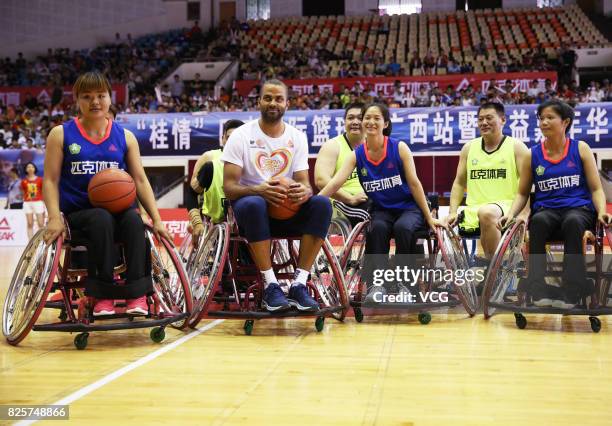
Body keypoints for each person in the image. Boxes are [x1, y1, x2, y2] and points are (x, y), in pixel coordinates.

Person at [43, 71, 171, 317]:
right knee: (100, 217)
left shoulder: (125, 136)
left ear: (110, 99)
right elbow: (50, 180)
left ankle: (137, 295)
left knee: (134, 220)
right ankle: (102, 295)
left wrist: (157, 219)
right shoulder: (60, 134)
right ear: (77, 100)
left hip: (118, 211)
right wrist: (53, 217)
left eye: (101, 95)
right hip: (80, 214)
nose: (95, 102)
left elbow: (140, 180)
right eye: (87, 96)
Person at [222, 79, 331, 312]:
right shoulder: (240, 136)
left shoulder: (297, 137)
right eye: (268, 98)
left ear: (287, 104)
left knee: (321, 203)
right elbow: (229, 187)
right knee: (254, 203)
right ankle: (271, 285)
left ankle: (299, 284)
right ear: (259, 101)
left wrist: (304, 191)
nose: (273, 103)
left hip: (285, 210)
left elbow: (305, 184)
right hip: (252, 214)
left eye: (279, 98)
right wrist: (258, 189)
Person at [319, 103, 442, 299]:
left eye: (376, 118)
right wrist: (315, 202)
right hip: (382, 210)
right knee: (377, 229)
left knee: (403, 228)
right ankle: (378, 284)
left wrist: (429, 217)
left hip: (409, 208)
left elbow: (415, 184)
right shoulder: (357, 155)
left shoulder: (399, 148)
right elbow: (335, 183)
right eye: (367, 117)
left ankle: (406, 284)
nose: (370, 121)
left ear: (385, 124)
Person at [499, 100, 611, 309]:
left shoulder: (581, 149)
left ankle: (573, 290)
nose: (544, 122)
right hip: (547, 210)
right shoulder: (533, 154)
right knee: (539, 222)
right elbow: (523, 192)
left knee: (573, 222)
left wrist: (602, 211)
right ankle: (538, 288)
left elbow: (596, 189)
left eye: (550, 117)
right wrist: (511, 214)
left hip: (578, 209)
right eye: (541, 118)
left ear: (565, 121)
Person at [446, 102, 529, 259]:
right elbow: (459, 183)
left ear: (503, 120)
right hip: (473, 211)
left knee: (487, 213)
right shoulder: (469, 148)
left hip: (508, 209)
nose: (484, 123)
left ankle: (491, 269)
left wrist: (524, 215)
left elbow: (528, 186)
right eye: (480, 119)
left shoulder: (517, 147)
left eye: (489, 118)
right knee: (478, 214)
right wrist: (452, 212)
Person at [187, 119, 244, 246]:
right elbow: (191, 192)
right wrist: (196, 221)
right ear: (223, 138)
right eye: (229, 138)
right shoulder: (209, 159)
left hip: (244, 223)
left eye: (237, 138)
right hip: (216, 223)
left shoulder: (253, 162)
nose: (233, 142)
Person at [314, 102, 369, 227]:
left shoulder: (375, 146)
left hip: (370, 199)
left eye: (360, 118)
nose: (355, 122)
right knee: (375, 216)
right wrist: (350, 198)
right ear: (344, 122)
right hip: (343, 203)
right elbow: (321, 181)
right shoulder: (333, 146)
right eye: (350, 118)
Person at [21, 162, 45, 238]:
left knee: (41, 223)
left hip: (38, 202)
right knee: (30, 223)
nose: (30, 168)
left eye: (32, 167)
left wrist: (44, 203)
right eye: (28, 167)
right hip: (27, 203)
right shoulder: (23, 181)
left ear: (35, 169)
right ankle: (30, 244)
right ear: (26, 169)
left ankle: (42, 241)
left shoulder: (40, 180)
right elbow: (23, 192)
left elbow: (43, 191)